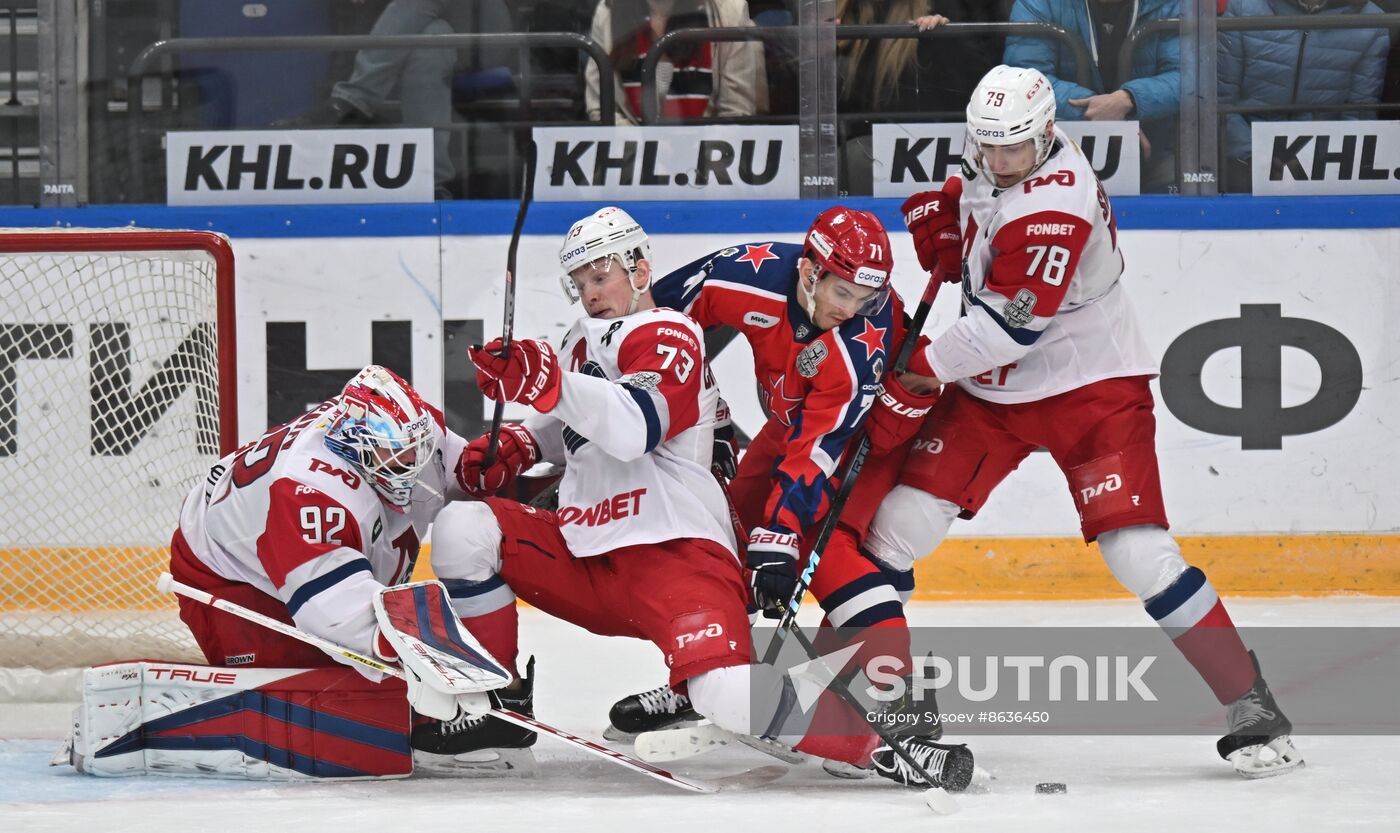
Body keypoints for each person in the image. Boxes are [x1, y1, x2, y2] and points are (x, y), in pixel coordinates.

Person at [428, 206, 975, 789]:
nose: (591, 293)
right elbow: (573, 425)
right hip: (587, 552)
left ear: (640, 268)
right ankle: (499, 709)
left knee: (817, 582)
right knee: (464, 528)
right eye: (581, 281)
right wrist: (512, 441)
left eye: (602, 275)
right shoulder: (578, 346)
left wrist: (781, 535)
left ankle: (885, 734)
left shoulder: (671, 335)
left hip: (681, 553)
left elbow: (636, 425)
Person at [870, 64, 1302, 778]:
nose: (998, 160)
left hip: (1089, 387)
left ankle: (1250, 700)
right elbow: (971, 203)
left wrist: (918, 363)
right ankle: (882, 706)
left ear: (1046, 135)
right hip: (993, 394)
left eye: (1013, 148)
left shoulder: (1056, 205)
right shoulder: (996, 158)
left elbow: (1011, 330)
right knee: (897, 526)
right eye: (988, 146)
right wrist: (949, 224)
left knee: (1137, 552)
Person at [603, 206, 950, 754]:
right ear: (810, 273)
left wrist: (782, 535)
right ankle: (708, 676)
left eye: (867, 299)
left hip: (864, 437)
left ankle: (901, 696)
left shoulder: (859, 341)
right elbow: (652, 318)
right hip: (792, 426)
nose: (853, 309)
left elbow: (820, 450)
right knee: (720, 541)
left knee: (823, 549)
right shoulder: (744, 274)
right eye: (844, 295)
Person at [169, 364, 526, 770]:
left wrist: (491, 473)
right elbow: (337, 615)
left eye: (417, 447)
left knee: (385, 686)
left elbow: (462, 474)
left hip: (293, 549)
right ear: (355, 447)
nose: (414, 460)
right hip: (229, 575)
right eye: (398, 455)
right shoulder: (309, 494)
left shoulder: (409, 429)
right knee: (338, 703)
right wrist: (433, 660)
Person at [279, 0, 515, 197]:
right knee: (432, 40)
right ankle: (432, 180)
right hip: (422, 30)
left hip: (484, 26)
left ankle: (354, 98)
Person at [1004, 0, 1181, 191]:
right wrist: (1103, 114)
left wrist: (1129, 100)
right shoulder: (1040, 3)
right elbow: (1024, 79)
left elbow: (1191, 75)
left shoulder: (1173, 3)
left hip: (1157, 150)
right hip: (1059, 154)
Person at [1217, 0, 1390, 192]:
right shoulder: (1242, 7)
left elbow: (1358, 113)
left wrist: (1314, 163)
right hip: (1242, 163)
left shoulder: (1371, 21)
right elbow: (1221, 101)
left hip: (1324, 168)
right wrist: (1255, 155)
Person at [585, 0, 768, 123]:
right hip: (632, 165)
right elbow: (602, 110)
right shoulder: (608, 11)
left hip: (708, 166)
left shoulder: (730, 12)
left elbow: (736, 115)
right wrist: (644, 153)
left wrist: (695, 159)